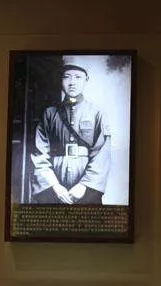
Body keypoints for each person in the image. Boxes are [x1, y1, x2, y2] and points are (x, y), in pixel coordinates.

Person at [30, 56, 112, 204]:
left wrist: (84, 185)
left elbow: (102, 154)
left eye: (78, 77)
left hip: (86, 182)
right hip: (54, 180)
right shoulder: (49, 114)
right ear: (60, 80)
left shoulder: (97, 113)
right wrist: (55, 186)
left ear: (86, 80)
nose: (72, 82)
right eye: (67, 77)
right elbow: (39, 153)